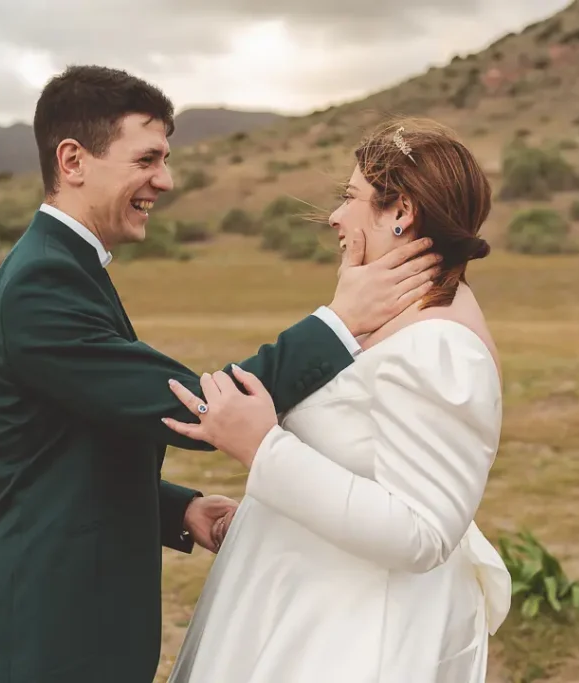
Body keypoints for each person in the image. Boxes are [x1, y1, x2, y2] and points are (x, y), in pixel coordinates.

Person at [0, 66, 442, 683]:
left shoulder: (67, 266)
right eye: (147, 159)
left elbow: (66, 452)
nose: (165, 180)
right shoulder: (45, 281)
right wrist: (340, 323)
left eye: (166, 159)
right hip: (40, 639)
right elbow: (188, 406)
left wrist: (179, 509)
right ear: (73, 161)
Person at [163, 117, 513, 683]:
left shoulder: (442, 345)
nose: (335, 216)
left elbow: (420, 533)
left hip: (350, 639)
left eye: (351, 197)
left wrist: (262, 449)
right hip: (301, 601)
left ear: (400, 211)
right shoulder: (383, 318)